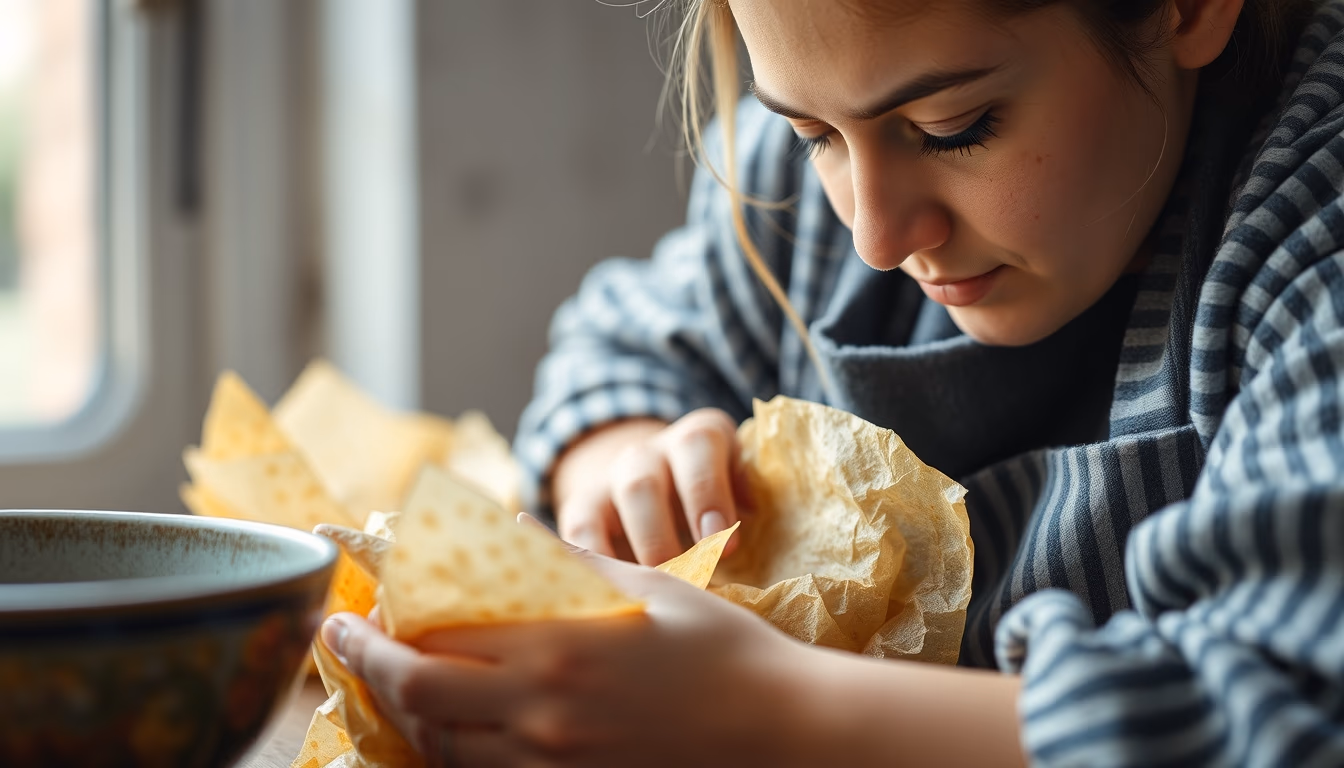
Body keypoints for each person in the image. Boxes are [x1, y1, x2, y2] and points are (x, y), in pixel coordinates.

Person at [320, 0, 1344, 764]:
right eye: (813, 138)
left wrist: (765, 706)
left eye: (954, 128)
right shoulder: (833, 161)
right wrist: (627, 458)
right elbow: (623, 344)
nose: (876, 233)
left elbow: (1283, 715)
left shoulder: (1313, 224)